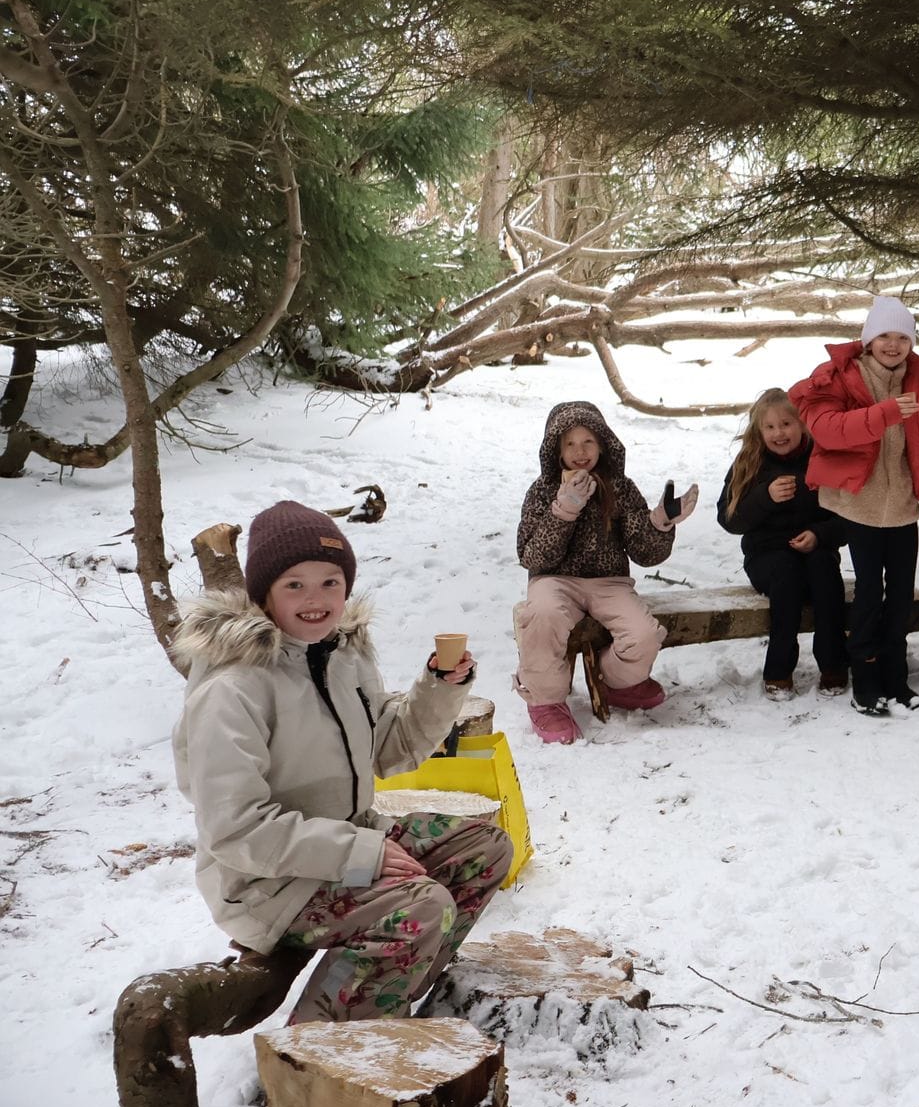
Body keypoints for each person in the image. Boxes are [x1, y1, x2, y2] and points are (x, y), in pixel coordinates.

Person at [172, 501, 511, 1023]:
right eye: (295, 585)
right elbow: (235, 829)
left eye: (330, 582)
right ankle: (319, 1046)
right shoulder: (232, 689)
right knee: (419, 906)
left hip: (349, 841)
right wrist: (360, 853)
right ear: (263, 594)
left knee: (483, 847)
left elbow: (391, 749)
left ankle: (392, 996)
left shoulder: (341, 655)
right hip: (268, 885)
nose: (316, 600)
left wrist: (440, 688)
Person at [791, 295, 919, 716]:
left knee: (899, 594)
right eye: (884, 336)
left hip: (901, 504)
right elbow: (826, 429)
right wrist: (883, 413)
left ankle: (895, 677)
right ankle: (864, 676)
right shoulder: (842, 376)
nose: (893, 345)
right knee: (868, 590)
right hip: (860, 503)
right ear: (868, 340)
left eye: (902, 337)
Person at [514, 401, 699, 744]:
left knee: (643, 634)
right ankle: (545, 700)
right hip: (554, 580)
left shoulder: (620, 487)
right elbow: (532, 556)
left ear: (603, 444)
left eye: (588, 442)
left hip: (609, 582)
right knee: (542, 615)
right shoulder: (542, 490)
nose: (580, 451)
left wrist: (661, 521)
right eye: (570, 443)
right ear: (556, 449)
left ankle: (618, 682)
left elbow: (644, 552)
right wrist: (564, 509)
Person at [716, 389, 848, 701]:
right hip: (767, 557)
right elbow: (729, 519)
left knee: (825, 570)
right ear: (759, 431)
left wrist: (819, 535)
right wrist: (765, 497)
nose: (779, 433)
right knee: (786, 573)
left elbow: (848, 517)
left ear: (802, 423)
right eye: (770, 427)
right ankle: (778, 671)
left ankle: (834, 665)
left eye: (786, 424)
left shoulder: (821, 458)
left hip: (816, 552)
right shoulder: (750, 462)